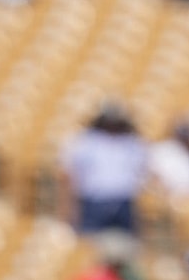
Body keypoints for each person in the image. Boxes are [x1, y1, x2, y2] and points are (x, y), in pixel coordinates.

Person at [59, 101, 149, 236]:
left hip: (124, 202)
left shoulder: (132, 142)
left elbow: (144, 171)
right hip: (93, 202)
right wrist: (70, 208)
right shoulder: (85, 141)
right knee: (89, 242)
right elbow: (70, 174)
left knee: (126, 242)